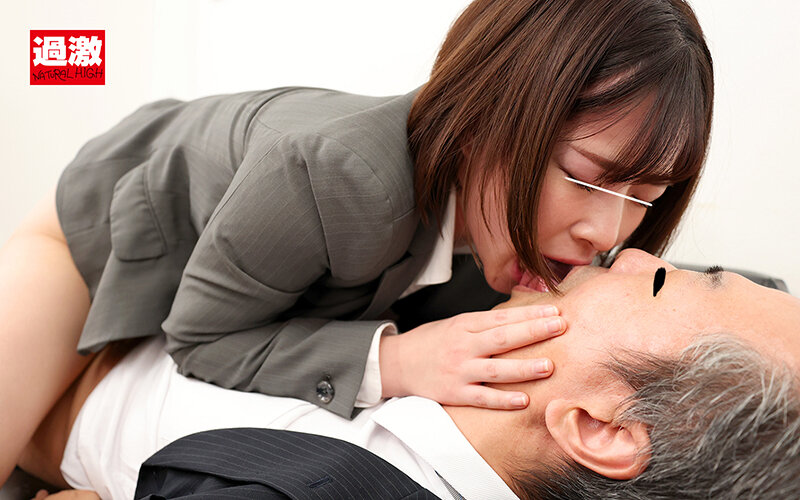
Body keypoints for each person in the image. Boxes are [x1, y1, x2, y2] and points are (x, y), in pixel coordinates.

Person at [0, 0, 715, 484]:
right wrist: (394, 360)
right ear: (488, 115)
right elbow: (202, 339)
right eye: (585, 178)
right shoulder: (339, 176)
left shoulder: (507, 241)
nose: (607, 233)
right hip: (91, 243)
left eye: (645, 199)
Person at [18, 249, 800, 499]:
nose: (630, 252)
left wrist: (49, 256)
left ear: (600, 428)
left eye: (662, 280)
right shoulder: (470, 294)